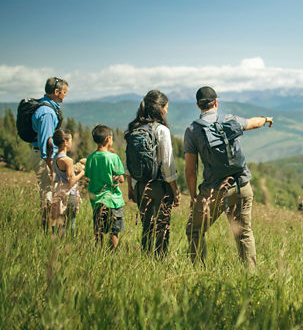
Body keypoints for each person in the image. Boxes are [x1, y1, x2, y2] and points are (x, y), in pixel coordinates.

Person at [184, 86, 273, 269]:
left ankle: (199, 273)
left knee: (195, 230)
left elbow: (190, 170)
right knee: (244, 233)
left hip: (213, 190)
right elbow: (253, 123)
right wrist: (266, 119)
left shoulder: (193, 130)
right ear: (216, 102)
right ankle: (251, 277)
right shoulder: (230, 120)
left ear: (198, 105)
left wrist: (194, 197)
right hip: (241, 185)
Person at [125, 90, 180, 257]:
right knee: (162, 229)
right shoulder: (161, 130)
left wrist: (131, 187)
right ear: (160, 108)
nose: (167, 111)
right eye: (166, 107)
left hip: (141, 186)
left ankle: (145, 259)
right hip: (159, 186)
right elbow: (167, 163)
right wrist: (175, 190)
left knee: (147, 228)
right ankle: (159, 263)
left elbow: (128, 162)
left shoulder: (134, 128)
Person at [31, 77, 69, 232]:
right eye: (64, 92)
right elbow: (47, 142)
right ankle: (48, 231)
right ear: (56, 92)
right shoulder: (47, 113)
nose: (66, 95)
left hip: (42, 155)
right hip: (45, 157)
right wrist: (52, 168)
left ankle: (49, 228)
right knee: (48, 195)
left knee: (48, 193)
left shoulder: (44, 106)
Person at [85, 125, 125, 251]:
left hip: (97, 200)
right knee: (114, 231)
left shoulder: (91, 158)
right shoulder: (113, 157)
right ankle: (113, 253)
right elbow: (121, 178)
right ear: (108, 139)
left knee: (99, 231)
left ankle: (98, 252)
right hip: (113, 200)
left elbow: (88, 176)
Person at [50, 129, 85, 235]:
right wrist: (82, 172)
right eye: (70, 140)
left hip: (59, 192)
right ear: (65, 142)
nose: (71, 143)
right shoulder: (68, 160)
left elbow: (60, 176)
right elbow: (71, 181)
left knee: (61, 221)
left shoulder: (55, 158)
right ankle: (70, 240)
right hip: (70, 194)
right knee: (71, 222)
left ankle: (56, 238)